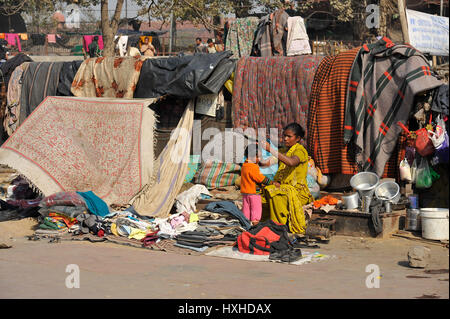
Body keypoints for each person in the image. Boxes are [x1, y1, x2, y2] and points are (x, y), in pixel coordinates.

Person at [261, 123, 314, 234]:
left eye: (289, 136)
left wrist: (271, 149)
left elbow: (290, 162)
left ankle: (278, 229)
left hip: (298, 192)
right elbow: (265, 163)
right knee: (261, 196)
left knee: (275, 194)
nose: (285, 139)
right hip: (282, 187)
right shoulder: (283, 151)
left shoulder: (300, 151)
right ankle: (263, 226)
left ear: (298, 138)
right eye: (284, 136)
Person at [240, 144, 271, 226]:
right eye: (258, 157)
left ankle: (245, 223)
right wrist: (270, 182)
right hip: (254, 192)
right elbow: (259, 178)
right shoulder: (253, 167)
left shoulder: (244, 165)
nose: (260, 159)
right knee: (256, 209)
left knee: (246, 208)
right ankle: (255, 223)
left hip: (245, 192)